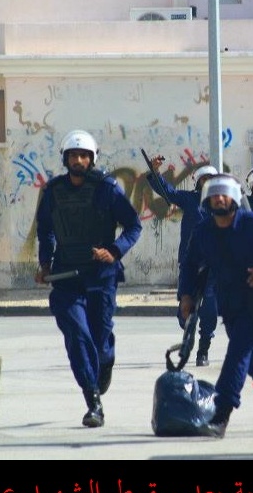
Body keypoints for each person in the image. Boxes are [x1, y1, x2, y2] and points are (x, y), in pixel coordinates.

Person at [178, 173, 253, 438]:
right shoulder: (203, 231)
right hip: (228, 303)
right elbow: (189, 264)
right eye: (214, 195)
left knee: (237, 354)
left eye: (225, 194)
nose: (219, 199)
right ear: (207, 200)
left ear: (234, 198)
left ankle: (221, 415)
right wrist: (186, 295)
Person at [34, 129, 142, 428]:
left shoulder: (107, 188)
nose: (78, 160)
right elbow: (45, 230)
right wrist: (44, 263)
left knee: (99, 339)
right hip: (66, 276)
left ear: (92, 159)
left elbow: (133, 225)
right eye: (73, 155)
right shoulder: (53, 190)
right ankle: (93, 401)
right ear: (65, 159)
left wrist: (114, 251)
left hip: (101, 277)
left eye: (84, 156)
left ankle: (106, 359)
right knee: (77, 336)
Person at [146, 157, 219, 367]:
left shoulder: (223, 203)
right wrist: (155, 173)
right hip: (190, 263)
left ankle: (203, 350)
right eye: (204, 179)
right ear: (198, 182)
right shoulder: (189, 199)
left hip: (214, 267)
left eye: (212, 179)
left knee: (210, 309)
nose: (208, 182)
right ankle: (189, 332)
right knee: (185, 311)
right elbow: (168, 192)